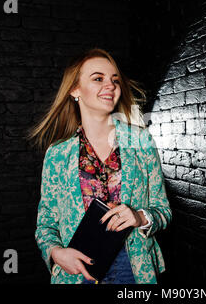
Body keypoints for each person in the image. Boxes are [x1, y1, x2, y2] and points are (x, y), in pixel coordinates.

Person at [27, 48, 172, 284]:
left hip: (133, 269)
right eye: (98, 78)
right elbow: (45, 225)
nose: (111, 85)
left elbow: (162, 210)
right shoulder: (57, 154)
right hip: (77, 271)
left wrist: (139, 216)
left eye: (115, 80)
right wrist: (56, 253)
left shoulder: (141, 141)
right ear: (75, 90)